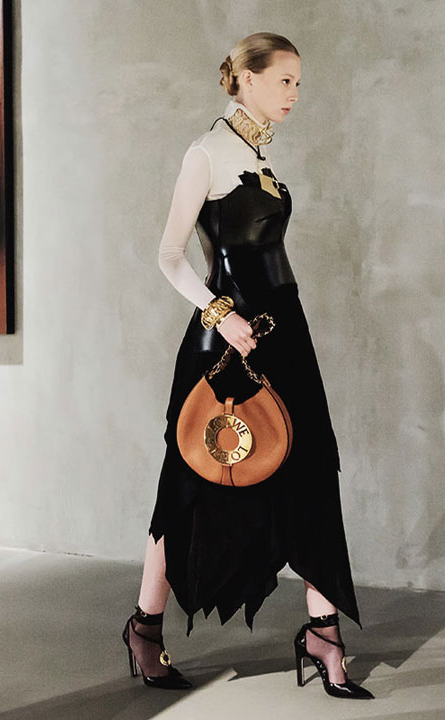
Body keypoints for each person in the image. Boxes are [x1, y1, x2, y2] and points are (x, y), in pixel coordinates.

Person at [122, 32, 374, 700]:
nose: (295, 94)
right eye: (286, 80)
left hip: (286, 330)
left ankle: (324, 635)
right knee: (189, 480)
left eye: (299, 83)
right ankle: (145, 627)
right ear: (249, 79)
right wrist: (220, 313)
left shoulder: (258, 152)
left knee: (312, 469)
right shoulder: (206, 153)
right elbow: (169, 255)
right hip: (226, 337)